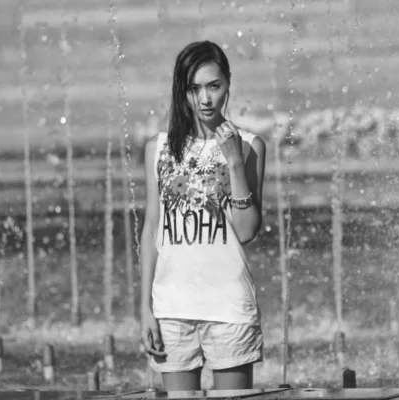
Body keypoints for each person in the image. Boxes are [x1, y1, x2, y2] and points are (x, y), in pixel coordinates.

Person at [139, 40, 266, 391]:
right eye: (194, 88)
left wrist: (235, 162)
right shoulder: (158, 148)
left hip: (229, 308)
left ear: (228, 83)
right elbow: (152, 230)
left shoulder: (250, 145)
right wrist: (145, 308)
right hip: (172, 309)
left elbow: (247, 231)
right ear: (182, 90)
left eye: (214, 86)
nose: (205, 99)